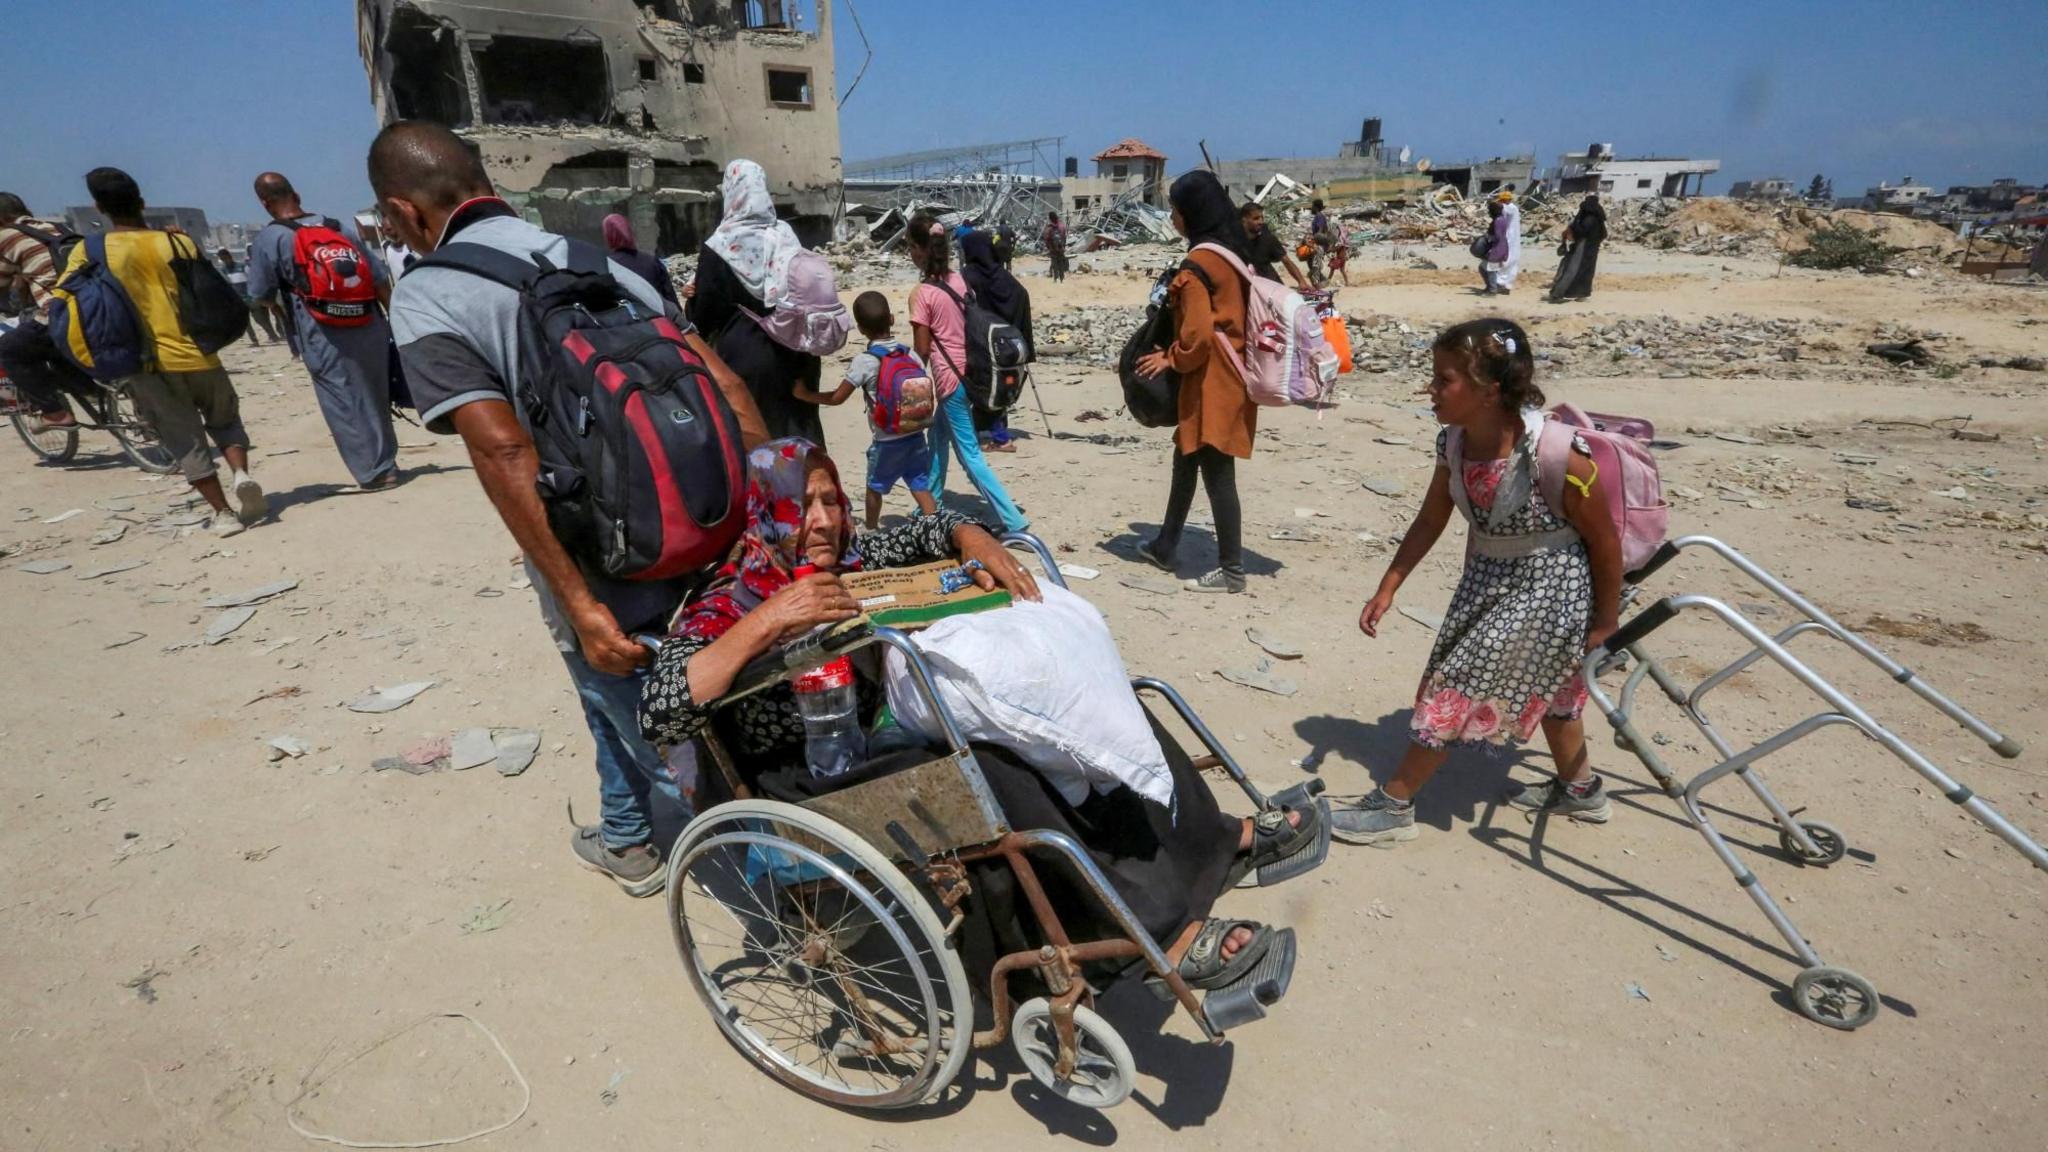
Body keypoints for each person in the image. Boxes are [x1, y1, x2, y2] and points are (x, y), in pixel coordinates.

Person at [638, 438, 1314, 990]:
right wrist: (772, 618)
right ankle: (1157, 937)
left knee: (1079, 700)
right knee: (991, 766)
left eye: (827, 500)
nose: (819, 519)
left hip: (876, 729)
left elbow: (929, 528)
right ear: (765, 513)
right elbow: (660, 707)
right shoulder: (727, 599)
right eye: (799, 505)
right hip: (811, 771)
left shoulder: (849, 557)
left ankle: (1214, 840)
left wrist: (976, 541)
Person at [372, 120, 770, 896]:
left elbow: (503, 452)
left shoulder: (428, 293)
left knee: (657, 724)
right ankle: (626, 839)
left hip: (599, 550)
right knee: (616, 687)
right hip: (710, 516)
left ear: (405, 213)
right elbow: (728, 388)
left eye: (388, 221)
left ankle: (788, 889)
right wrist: (761, 521)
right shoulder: (608, 263)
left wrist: (579, 601)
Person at [1330, 320, 1624, 846]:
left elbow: (1604, 541)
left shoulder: (1558, 453)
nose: (1431, 390)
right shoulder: (1454, 445)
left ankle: (1395, 803)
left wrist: (1605, 622)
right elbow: (1430, 519)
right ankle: (1582, 792)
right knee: (1554, 689)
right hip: (1487, 578)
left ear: (1489, 391)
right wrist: (1389, 585)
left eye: (1444, 380)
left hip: (1550, 588)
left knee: (1457, 681)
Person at [60, 168, 264, 537]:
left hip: (146, 364)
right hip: (200, 353)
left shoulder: (88, 251)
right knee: (226, 420)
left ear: (99, 208)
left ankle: (222, 513)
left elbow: (67, 301)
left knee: (184, 438)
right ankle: (241, 473)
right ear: (142, 202)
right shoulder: (177, 243)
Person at [1131, 171, 1256, 594]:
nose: (1172, 217)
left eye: (1176, 210)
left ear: (1191, 213)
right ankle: (1166, 545)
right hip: (1232, 371)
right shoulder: (1231, 251)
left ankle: (1232, 570)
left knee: (1218, 468)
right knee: (1186, 457)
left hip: (1211, 380)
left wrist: (1170, 357)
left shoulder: (1198, 265)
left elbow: (1198, 337)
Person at [246, 172, 401, 491]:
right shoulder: (337, 227)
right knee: (375, 392)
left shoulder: (270, 238)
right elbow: (377, 277)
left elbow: (259, 293)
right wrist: (396, 322)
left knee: (342, 399)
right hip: (368, 322)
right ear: (297, 194)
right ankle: (388, 461)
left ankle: (375, 471)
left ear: (265, 203)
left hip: (321, 330)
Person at [685, 160, 827, 448]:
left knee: (758, 447)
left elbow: (704, 318)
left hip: (745, 357)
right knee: (800, 444)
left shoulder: (720, 246)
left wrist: (692, 300)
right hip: (798, 353)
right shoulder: (786, 236)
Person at [904, 212, 1028, 533]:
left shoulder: (922, 294)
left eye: (910, 247)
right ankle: (932, 505)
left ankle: (1013, 521)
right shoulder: (959, 280)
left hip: (948, 379)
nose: (909, 254)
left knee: (970, 455)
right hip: (970, 373)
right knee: (937, 439)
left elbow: (922, 349)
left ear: (919, 249)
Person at [842, 291, 937, 528]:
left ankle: (872, 530)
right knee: (920, 484)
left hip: (887, 440)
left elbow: (837, 398)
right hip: (915, 433)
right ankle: (934, 526)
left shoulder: (864, 361)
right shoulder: (910, 354)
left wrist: (805, 394)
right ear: (892, 319)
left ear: (861, 329)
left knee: (874, 488)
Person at [0, 193, 87, 431]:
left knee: (9, 348)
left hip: (59, 312)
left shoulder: (6, 236)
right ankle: (90, 388)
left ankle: (55, 414)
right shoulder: (57, 227)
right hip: (95, 307)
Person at [960, 229, 1030, 454]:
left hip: (979, 344)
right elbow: (1021, 296)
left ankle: (986, 437)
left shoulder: (968, 276)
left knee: (978, 388)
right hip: (1005, 348)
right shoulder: (1002, 275)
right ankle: (999, 436)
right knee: (998, 389)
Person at [600, 213, 680, 312]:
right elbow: (671, 300)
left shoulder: (605, 266)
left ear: (608, 236)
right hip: (658, 322)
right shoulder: (652, 262)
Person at [1548, 193, 1607, 302]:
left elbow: (1581, 231)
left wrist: (1572, 230)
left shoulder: (1588, 218)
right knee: (1586, 272)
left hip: (1582, 247)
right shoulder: (1598, 218)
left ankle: (1557, 294)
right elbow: (1604, 234)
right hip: (1592, 249)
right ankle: (1582, 294)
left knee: (1572, 269)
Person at [218, 247, 280, 346]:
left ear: (230, 256)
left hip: (250, 298)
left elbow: (251, 279)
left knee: (260, 319)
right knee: (246, 323)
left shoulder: (242, 266)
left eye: (226, 258)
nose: (226, 260)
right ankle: (254, 340)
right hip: (238, 299)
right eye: (223, 259)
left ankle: (272, 335)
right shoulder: (223, 270)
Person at [1240, 201, 1310, 289]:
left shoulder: (1268, 239)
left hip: (1270, 285)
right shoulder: (1235, 241)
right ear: (1244, 220)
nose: (1261, 221)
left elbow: (1286, 261)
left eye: (1262, 218)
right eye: (1256, 218)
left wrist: (1301, 282)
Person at [1493, 188, 1523, 294]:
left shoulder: (1508, 208)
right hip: (1513, 238)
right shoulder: (1514, 208)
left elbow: (1499, 209)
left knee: (1504, 261)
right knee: (1512, 262)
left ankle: (1500, 283)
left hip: (1508, 238)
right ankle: (1507, 285)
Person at [1478, 201, 1509, 295]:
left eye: (1490, 210)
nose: (1489, 212)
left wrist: (1488, 238)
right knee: (1483, 268)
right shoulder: (1502, 219)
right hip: (1502, 246)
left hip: (1497, 248)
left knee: (1490, 269)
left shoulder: (1498, 221)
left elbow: (1498, 236)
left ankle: (1492, 290)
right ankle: (1493, 286)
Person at [1040, 211, 1068, 282]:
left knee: (1054, 263)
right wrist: (1063, 246)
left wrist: (1049, 248)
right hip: (1061, 248)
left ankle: (1055, 278)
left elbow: (1046, 239)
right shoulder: (1062, 226)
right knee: (1061, 262)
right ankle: (1062, 278)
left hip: (1053, 249)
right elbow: (1064, 237)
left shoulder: (1049, 228)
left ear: (1050, 218)